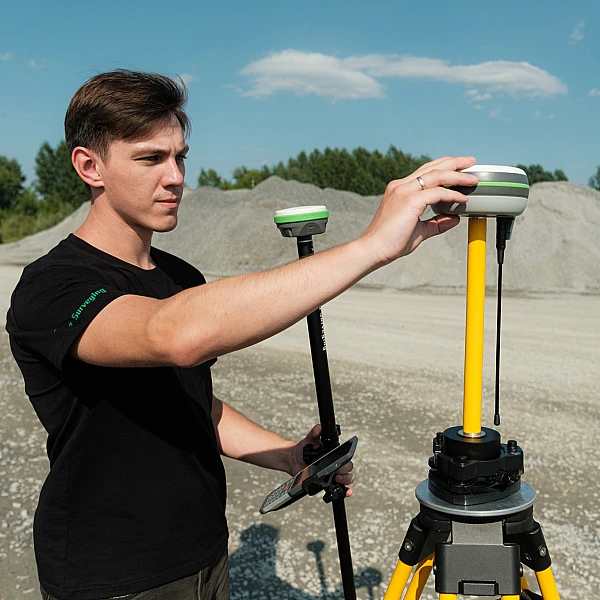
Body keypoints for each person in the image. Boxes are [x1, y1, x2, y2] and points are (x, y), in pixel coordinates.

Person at [5, 69, 478, 600]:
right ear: (89, 166)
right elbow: (172, 334)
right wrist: (371, 247)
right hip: (112, 574)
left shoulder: (181, 277)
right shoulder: (52, 285)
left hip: (205, 553)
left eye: (180, 157)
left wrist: (287, 455)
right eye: (150, 158)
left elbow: (191, 403)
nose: (175, 177)